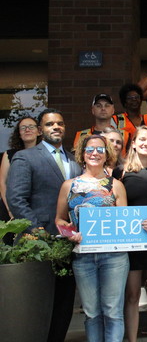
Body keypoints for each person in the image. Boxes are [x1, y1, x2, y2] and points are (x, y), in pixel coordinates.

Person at [55, 134, 147, 342]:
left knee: (112, 312)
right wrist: (69, 232)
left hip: (114, 258)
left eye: (100, 150)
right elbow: (59, 220)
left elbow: (125, 221)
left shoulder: (116, 185)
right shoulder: (69, 186)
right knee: (92, 312)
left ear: (106, 154)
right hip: (82, 256)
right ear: (82, 154)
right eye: (90, 149)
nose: (94, 153)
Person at [7, 108, 82, 342]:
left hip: (69, 245)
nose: (56, 127)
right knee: (39, 304)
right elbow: (16, 198)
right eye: (50, 124)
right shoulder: (25, 157)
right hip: (38, 245)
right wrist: (35, 230)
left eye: (60, 123)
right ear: (40, 130)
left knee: (64, 302)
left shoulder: (74, 160)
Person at [115, 126, 147, 342]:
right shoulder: (121, 172)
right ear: (133, 143)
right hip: (131, 242)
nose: (146, 143)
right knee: (132, 295)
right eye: (141, 139)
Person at [0, 116, 41, 219]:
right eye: (23, 128)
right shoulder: (9, 154)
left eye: (31, 127)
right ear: (19, 133)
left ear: (39, 131)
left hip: (38, 209)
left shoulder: (45, 155)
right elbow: (2, 182)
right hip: (10, 210)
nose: (27, 130)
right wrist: (10, 210)